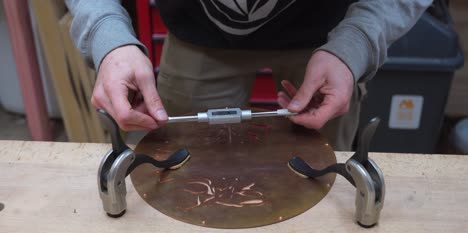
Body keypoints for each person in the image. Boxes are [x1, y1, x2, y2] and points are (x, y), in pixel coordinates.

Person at [66, 0, 432, 150]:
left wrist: (356, 44)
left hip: (328, 37)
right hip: (197, 34)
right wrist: (108, 37)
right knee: (181, 171)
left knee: (320, 181)